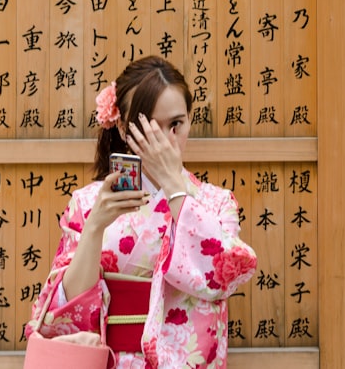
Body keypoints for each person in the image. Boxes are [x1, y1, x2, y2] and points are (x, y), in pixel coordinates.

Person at [25, 56, 257, 368]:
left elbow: (222, 279)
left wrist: (174, 187)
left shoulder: (216, 203)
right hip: (107, 360)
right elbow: (66, 313)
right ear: (122, 128)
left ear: (190, 120)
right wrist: (94, 227)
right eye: (149, 127)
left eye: (175, 125)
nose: (163, 141)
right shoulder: (88, 202)